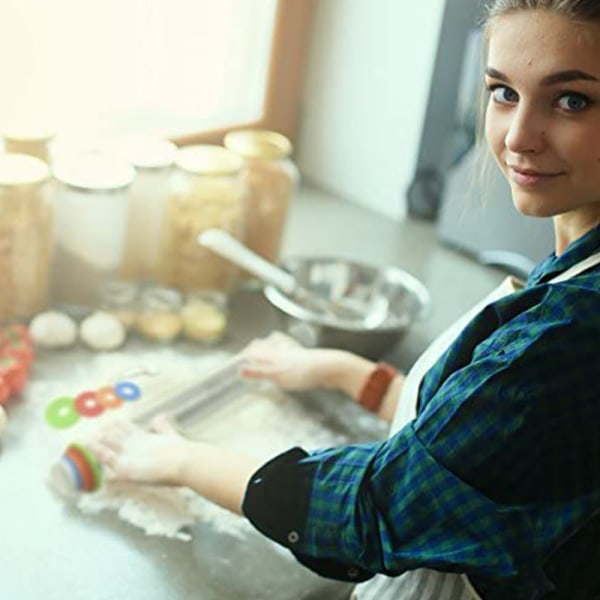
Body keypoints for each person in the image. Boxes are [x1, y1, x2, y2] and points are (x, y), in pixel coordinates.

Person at [88, 1, 600, 598]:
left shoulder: (575, 326)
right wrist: (342, 371)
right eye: (503, 92)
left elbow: (373, 509)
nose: (518, 137)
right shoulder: (572, 265)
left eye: (572, 101)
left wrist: (181, 461)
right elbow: (487, 452)